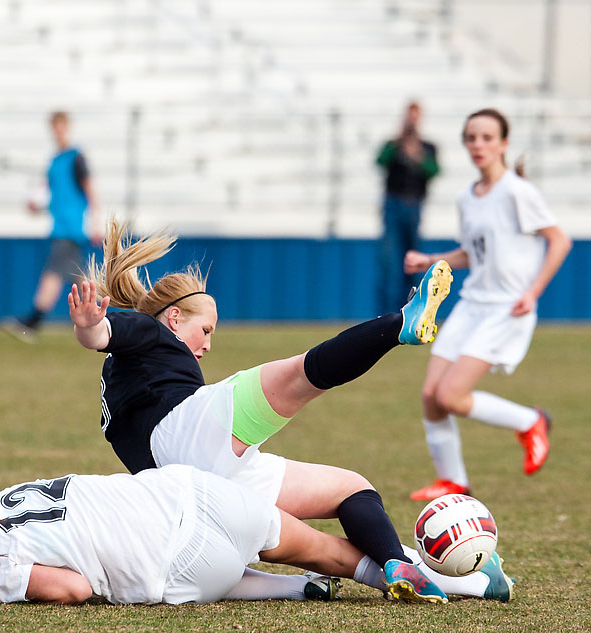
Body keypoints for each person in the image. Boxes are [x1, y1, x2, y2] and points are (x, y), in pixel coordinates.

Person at [66, 220, 514, 603]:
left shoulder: (130, 367)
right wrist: (89, 325)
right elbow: (103, 332)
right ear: (173, 318)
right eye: (205, 329)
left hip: (188, 492)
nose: (207, 344)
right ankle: (402, 324)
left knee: (347, 492)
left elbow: (108, 341)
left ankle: (446, 577)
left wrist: (96, 330)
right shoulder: (145, 331)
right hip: (185, 433)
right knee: (302, 375)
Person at [0, 464, 505, 605]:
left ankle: (290, 592)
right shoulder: (4, 498)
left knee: (200, 577)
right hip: (192, 492)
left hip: (184, 560)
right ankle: (472, 580)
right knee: (338, 553)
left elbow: (74, 591)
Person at [403, 108, 572, 501]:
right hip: (471, 303)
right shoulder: (467, 196)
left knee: (451, 396)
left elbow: (560, 241)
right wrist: (431, 261)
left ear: (503, 144)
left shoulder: (518, 191)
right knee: (431, 396)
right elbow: (472, 254)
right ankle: (454, 481)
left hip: (505, 307)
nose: (478, 145)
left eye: (486, 137)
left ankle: (531, 421)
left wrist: (532, 292)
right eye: (471, 138)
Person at [4, 111, 103, 341]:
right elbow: (53, 197)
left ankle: (33, 322)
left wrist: (96, 221)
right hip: (61, 226)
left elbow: (89, 189)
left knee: (53, 274)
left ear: (67, 127)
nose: (57, 131)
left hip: (70, 228)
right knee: (80, 277)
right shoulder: (54, 162)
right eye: (54, 127)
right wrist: (36, 207)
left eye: (60, 127)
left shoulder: (76, 157)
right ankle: (105, 316)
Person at [376, 101, 440, 314]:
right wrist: (400, 144)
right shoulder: (393, 144)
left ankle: (410, 309)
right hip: (393, 205)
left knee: (412, 261)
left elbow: (434, 171)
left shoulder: (427, 147)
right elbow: (380, 161)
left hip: (414, 205)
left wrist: (418, 156)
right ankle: (386, 312)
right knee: (389, 261)